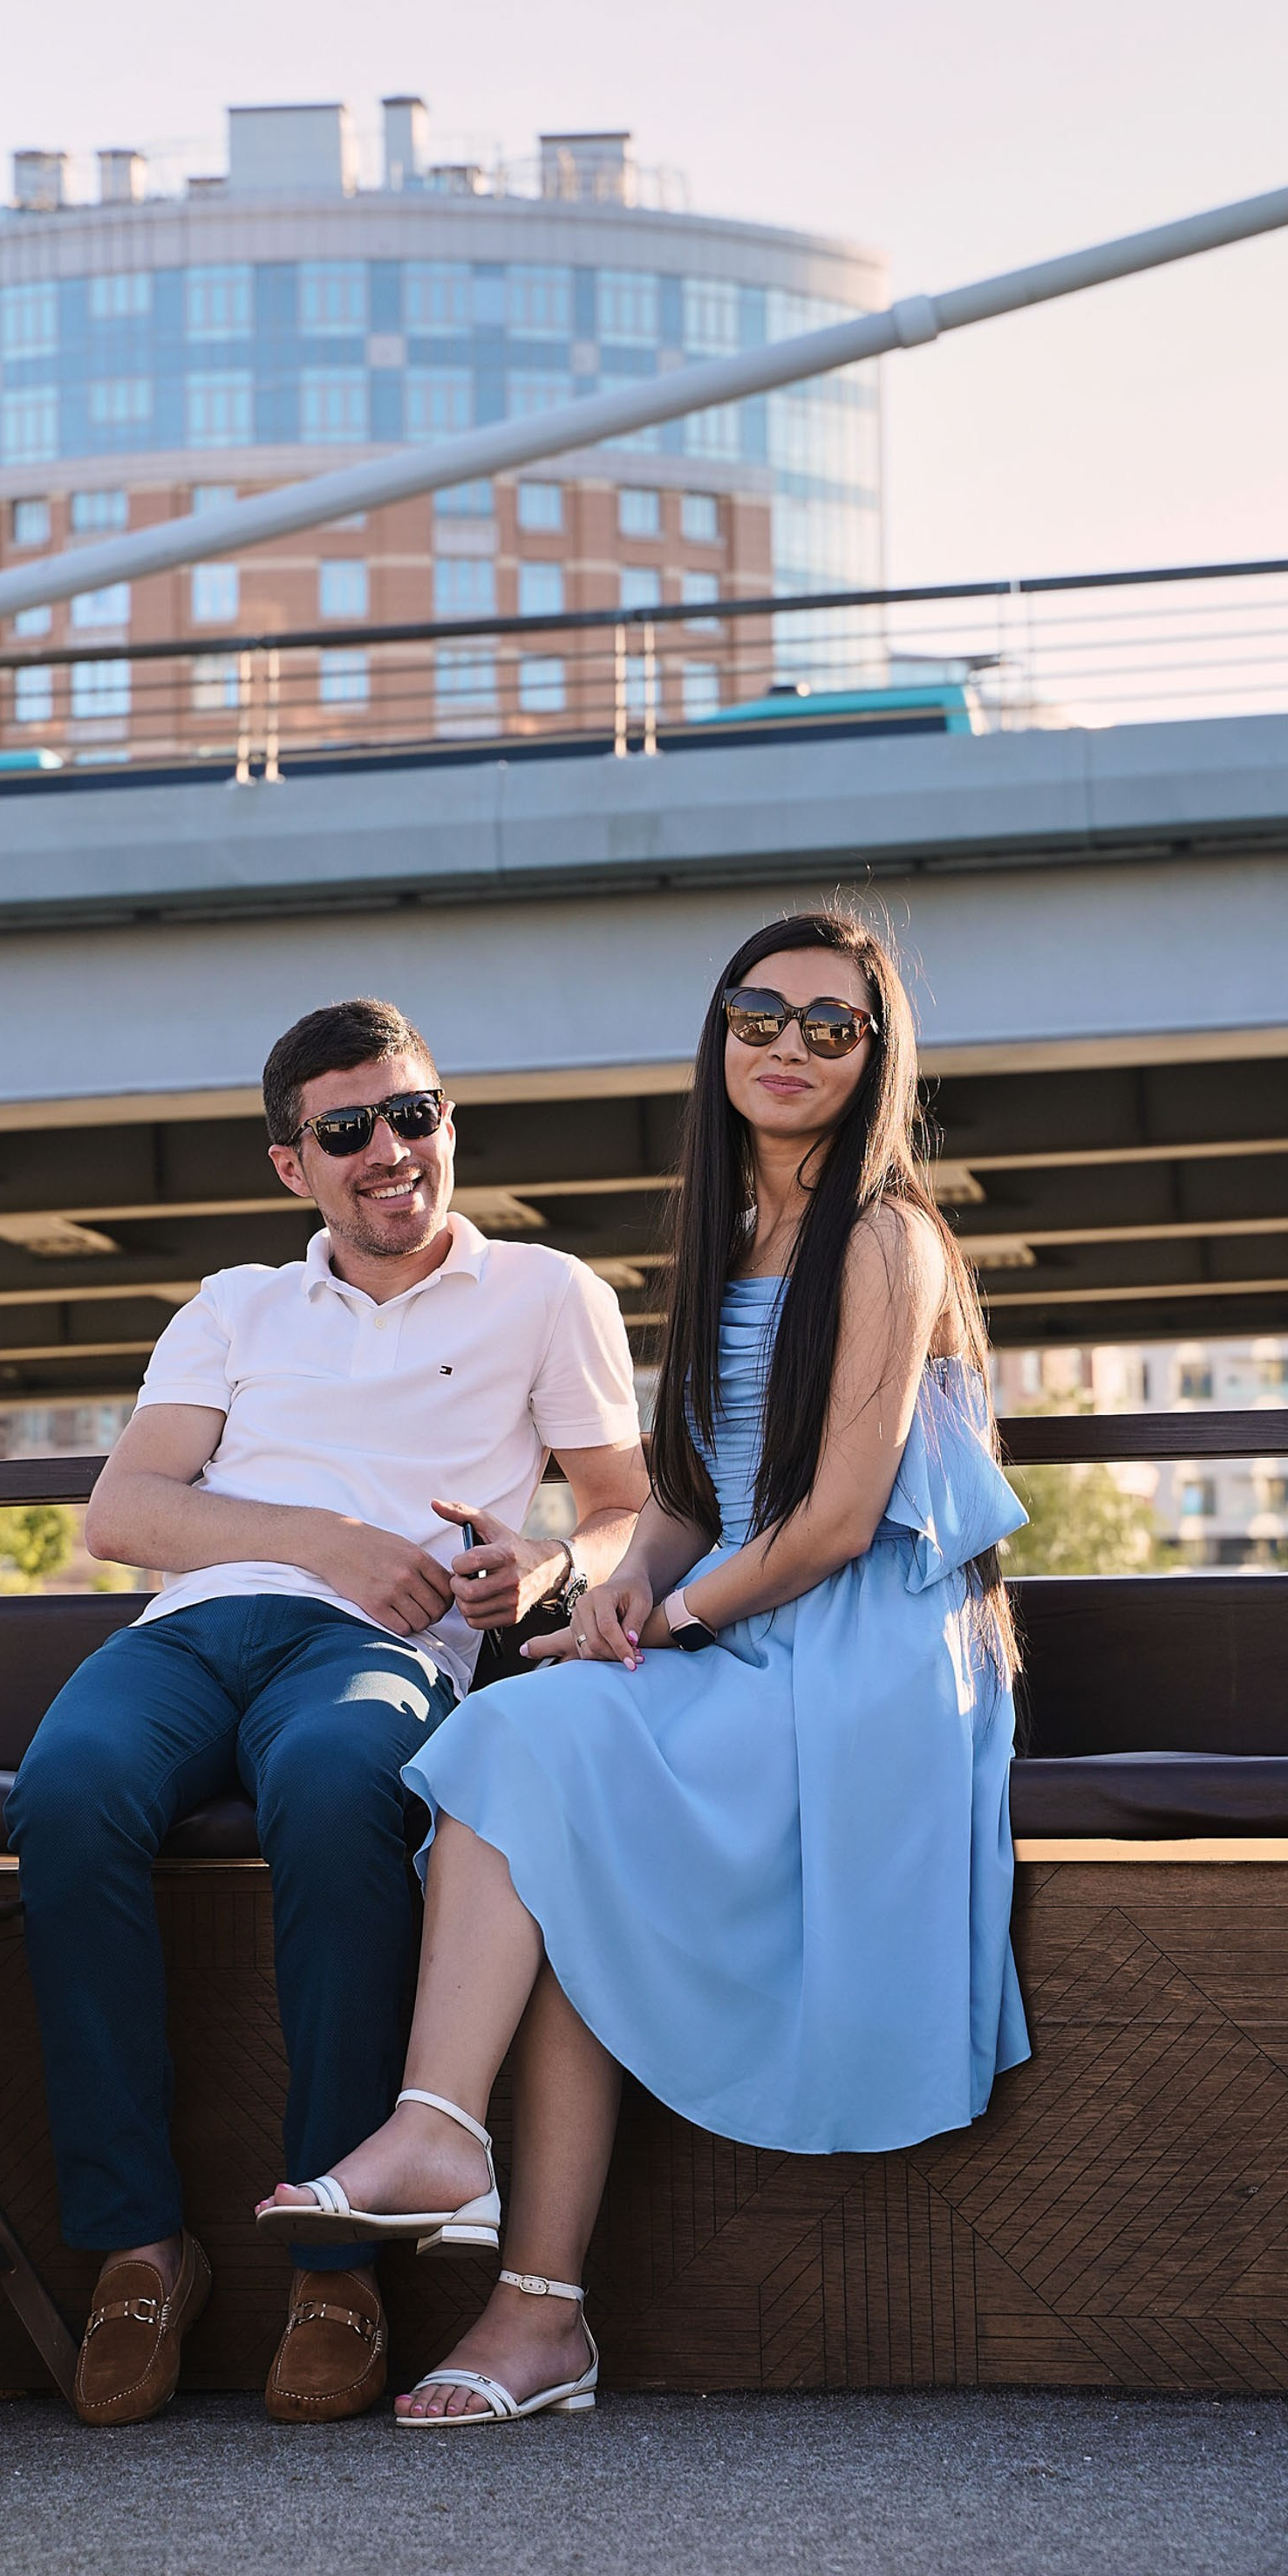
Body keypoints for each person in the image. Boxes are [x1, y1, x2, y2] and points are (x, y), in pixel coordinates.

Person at [257, 910, 1031, 2426]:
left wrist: (669, 1624)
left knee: (541, 1756)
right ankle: (510, 2265)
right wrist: (616, 1597)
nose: (789, 1047)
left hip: (863, 1658)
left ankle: (463, 2182)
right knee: (539, 1743)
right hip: (747, 1629)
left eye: (831, 1025)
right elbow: (690, 1493)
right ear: (719, 1036)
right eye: (761, 1015)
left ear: (877, 1058)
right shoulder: (728, 1230)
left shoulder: (889, 1235)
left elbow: (833, 1523)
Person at [8, 995, 648, 2427]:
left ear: (446, 1121)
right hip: (191, 1636)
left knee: (345, 1784)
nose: (389, 1150)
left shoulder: (549, 1295)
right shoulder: (236, 1305)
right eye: (347, 1129)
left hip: (384, 1649)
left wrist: (549, 1563)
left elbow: (624, 1511)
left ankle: (335, 2268)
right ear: (294, 1165)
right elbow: (126, 1513)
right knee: (63, 1797)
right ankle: (136, 2243)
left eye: (412, 1114)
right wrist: (323, 1539)